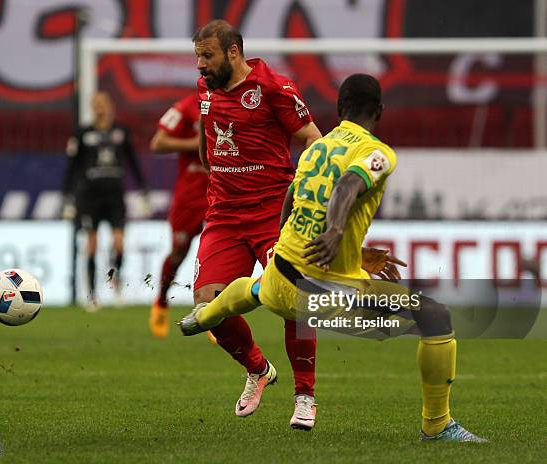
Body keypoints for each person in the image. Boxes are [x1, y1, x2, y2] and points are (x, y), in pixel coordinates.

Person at [180, 74, 487, 442]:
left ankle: (206, 315)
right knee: (436, 318)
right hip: (325, 296)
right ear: (380, 111)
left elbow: (291, 200)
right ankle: (437, 426)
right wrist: (336, 233)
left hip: (281, 278)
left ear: (339, 109)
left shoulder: (315, 149)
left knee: (255, 289)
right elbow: (347, 186)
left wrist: (315, 247)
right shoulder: (378, 153)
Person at [192, 19, 323, 428]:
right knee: (207, 307)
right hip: (225, 215)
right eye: (197, 57)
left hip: (272, 214)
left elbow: (314, 140)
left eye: (207, 56)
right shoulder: (206, 90)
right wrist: (211, 165)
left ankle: (305, 397)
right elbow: (206, 132)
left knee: (293, 302)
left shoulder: (274, 88)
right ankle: (258, 368)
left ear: (233, 52)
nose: (201, 66)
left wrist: (304, 191)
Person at [62, 91, 148, 310]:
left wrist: (143, 189)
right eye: (96, 104)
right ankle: (91, 295)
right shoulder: (82, 133)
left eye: (104, 104)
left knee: (119, 243)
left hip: (114, 195)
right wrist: (68, 197)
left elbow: (133, 162)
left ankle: (116, 284)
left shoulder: (121, 132)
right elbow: (72, 166)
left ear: (111, 107)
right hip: (89, 196)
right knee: (92, 245)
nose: (100, 108)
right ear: (92, 107)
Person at [149, 94, 208, 337]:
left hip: (223, 189)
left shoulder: (238, 101)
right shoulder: (186, 107)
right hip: (191, 194)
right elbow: (158, 142)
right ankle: (161, 302)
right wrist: (196, 144)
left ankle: (214, 316)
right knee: (179, 252)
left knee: (219, 254)